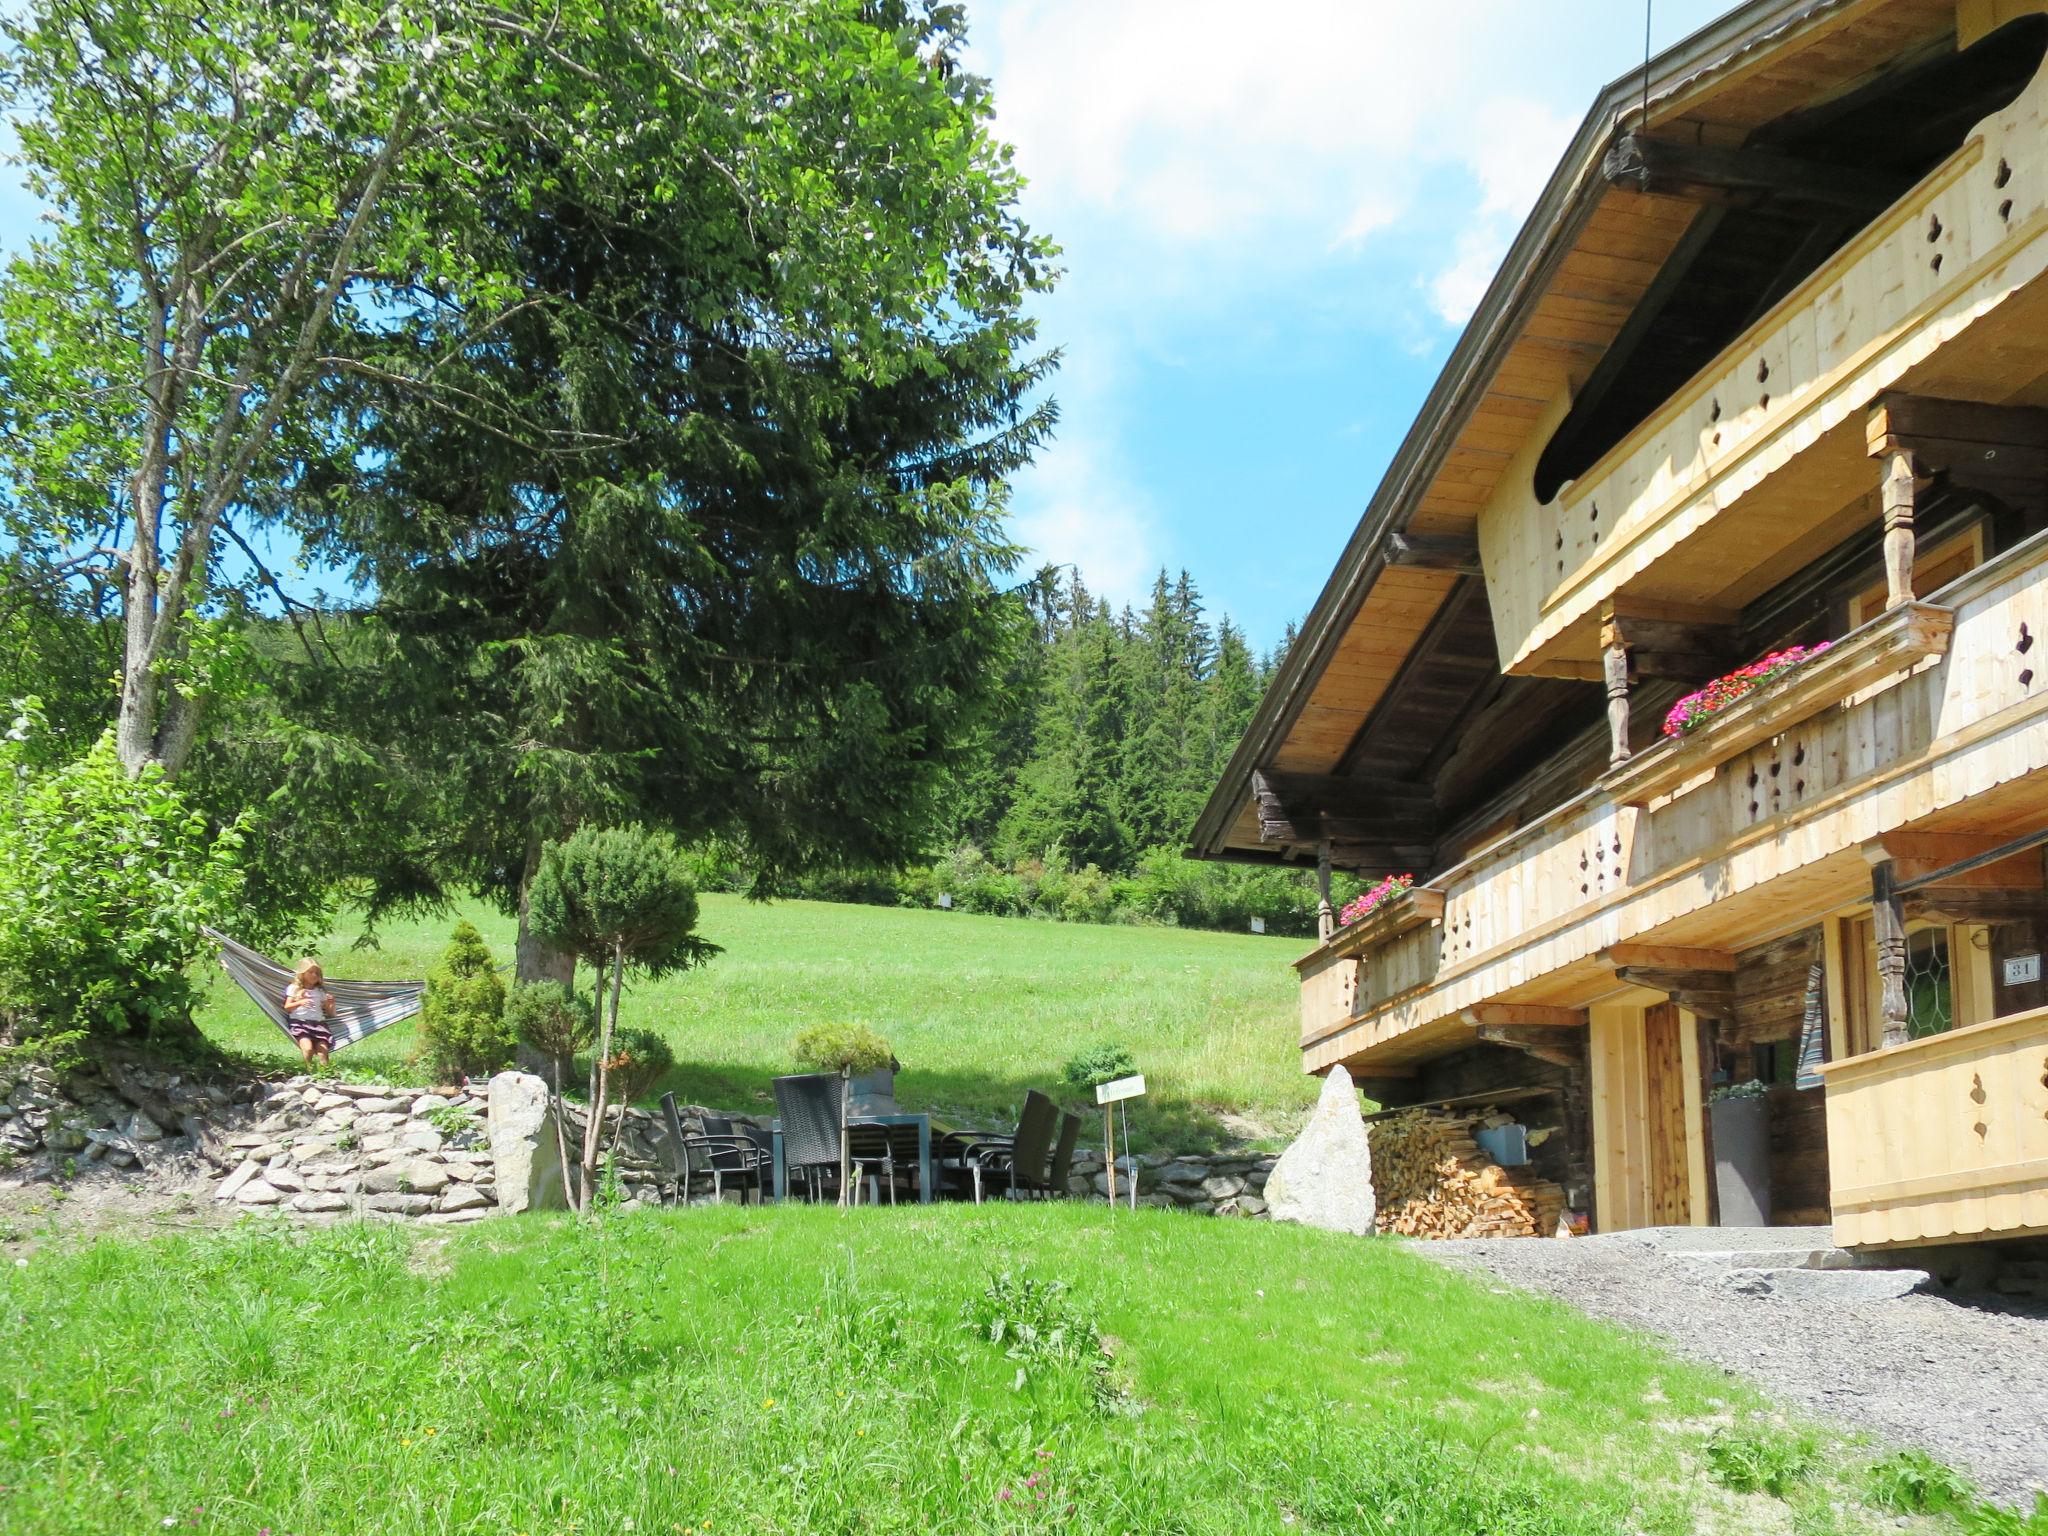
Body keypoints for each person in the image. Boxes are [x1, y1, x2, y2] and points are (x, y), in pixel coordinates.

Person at [284, 959, 338, 1068]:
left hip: (319, 1024)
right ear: (302, 973)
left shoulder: (320, 991)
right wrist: (300, 1002)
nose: (314, 975)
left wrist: (330, 1003)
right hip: (300, 1024)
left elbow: (330, 1013)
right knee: (308, 1049)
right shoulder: (294, 988)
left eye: (317, 973)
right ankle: (307, 1071)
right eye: (310, 972)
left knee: (323, 1052)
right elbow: (287, 1008)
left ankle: (325, 1074)